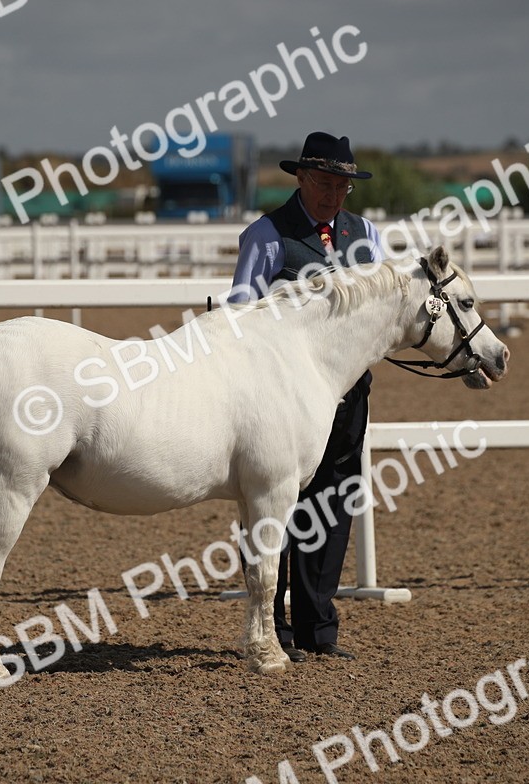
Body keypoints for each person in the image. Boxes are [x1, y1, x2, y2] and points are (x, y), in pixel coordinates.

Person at [230, 131, 383, 662]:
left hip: (345, 394)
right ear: (301, 178)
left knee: (334, 502)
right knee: (273, 502)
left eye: (343, 185)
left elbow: (378, 310)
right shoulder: (267, 236)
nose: (334, 195)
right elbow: (240, 318)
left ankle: (320, 627)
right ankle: (272, 625)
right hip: (277, 401)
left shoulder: (365, 234)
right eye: (324, 182)